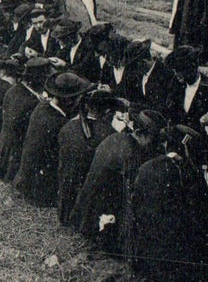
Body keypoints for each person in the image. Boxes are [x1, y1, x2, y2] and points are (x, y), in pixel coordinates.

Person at [128, 124, 208, 282]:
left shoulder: (148, 166)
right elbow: (193, 216)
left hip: (143, 257)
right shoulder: (180, 173)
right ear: (186, 151)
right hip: (170, 269)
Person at [71, 109, 166, 254]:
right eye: (153, 141)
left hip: (87, 209)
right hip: (98, 218)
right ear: (140, 133)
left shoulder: (117, 137)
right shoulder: (131, 154)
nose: (154, 146)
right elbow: (132, 198)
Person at [14, 72, 94, 207]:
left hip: (29, 175)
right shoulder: (59, 123)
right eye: (78, 97)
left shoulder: (43, 107)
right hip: (41, 187)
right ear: (68, 100)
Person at [56, 88, 119, 225]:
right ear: (108, 112)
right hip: (85, 197)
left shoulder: (69, 126)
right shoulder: (109, 134)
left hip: (65, 195)